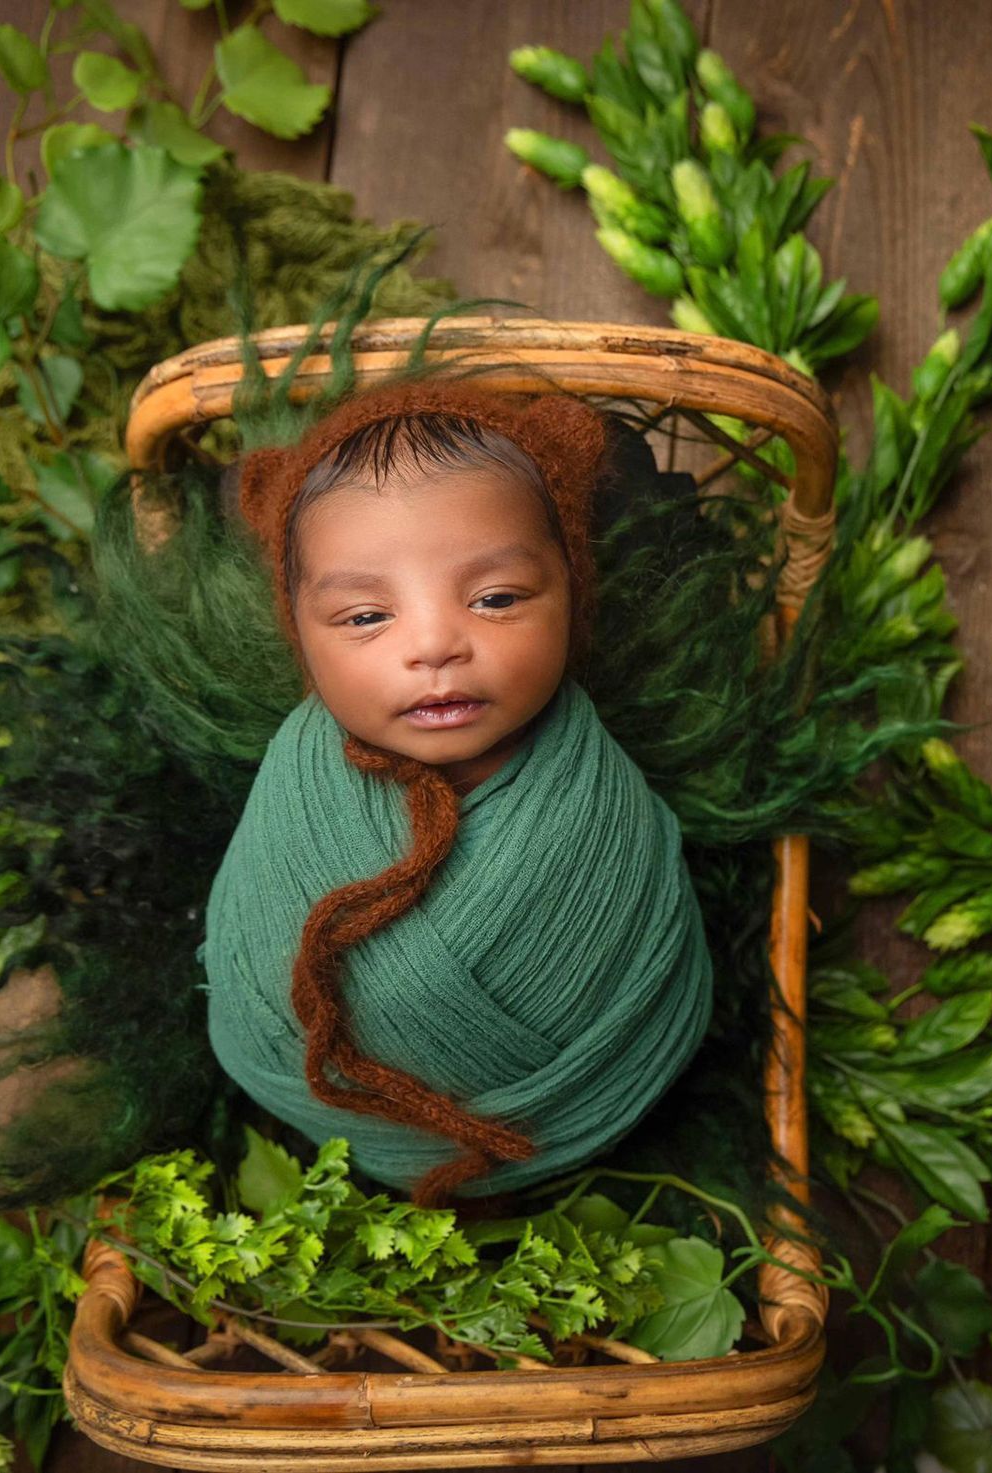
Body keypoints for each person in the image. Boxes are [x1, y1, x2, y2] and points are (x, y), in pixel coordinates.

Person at [199, 374, 717, 1209]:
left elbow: (657, 954)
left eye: (497, 598)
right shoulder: (294, 786)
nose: (435, 642)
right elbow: (248, 964)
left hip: (598, 1119)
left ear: (572, 595)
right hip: (327, 1127)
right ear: (299, 632)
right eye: (366, 615)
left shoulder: (595, 794)